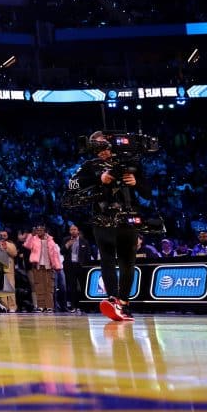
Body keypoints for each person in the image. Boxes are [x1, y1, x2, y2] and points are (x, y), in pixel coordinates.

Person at [67, 131, 148, 321]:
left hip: (128, 219)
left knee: (128, 262)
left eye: (104, 147)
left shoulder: (132, 164)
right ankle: (112, 299)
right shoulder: (89, 166)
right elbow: (72, 185)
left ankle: (124, 304)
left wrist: (136, 183)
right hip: (102, 220)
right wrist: (98, 179)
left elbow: (148, 192)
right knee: (107, 258)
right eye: (97, 148)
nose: (101, 151)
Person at [21, 224, 62, 312]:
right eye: (38, 230)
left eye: (41, 230)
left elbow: (55, 255)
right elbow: (27, 245)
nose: (39, 232)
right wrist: (31, 235)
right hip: (38, 266)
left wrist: (57, 265)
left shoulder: (50, 240)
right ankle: (41, 306)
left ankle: (49, 306)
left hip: (48, 266)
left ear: (44, 231)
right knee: (39, 287)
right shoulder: (34, 239)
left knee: (49, 288)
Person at [62, 224, 94, 312]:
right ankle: (73, 306)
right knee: (72, 287)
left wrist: (85, 265)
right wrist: (67, 245)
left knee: (83, 286)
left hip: (81, 267)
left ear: (78, 231)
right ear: (69, 231)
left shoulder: (84, 241)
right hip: (70, 266)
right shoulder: (66, 240)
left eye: (74, 229)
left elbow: (88, 255)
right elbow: (61, 251)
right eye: (71, 229)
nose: (73, 231)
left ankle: (84, 306)